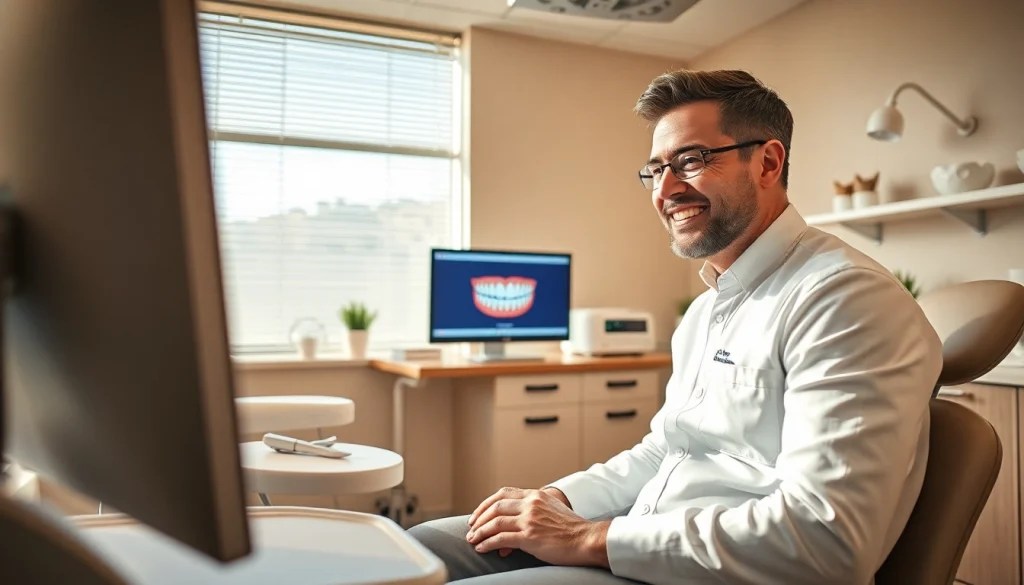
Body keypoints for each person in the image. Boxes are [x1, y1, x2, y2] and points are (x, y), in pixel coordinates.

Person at [408, 69, 943, 585]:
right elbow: (667, 450)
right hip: (647, 537)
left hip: (716, 572)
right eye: (655, 170)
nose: (665, 190)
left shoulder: (843, 299)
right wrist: (557, 501)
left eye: (691, 161)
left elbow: (827, 543)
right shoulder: (705, 312)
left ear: (768, 162)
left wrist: (588, 538)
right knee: (422, 546)